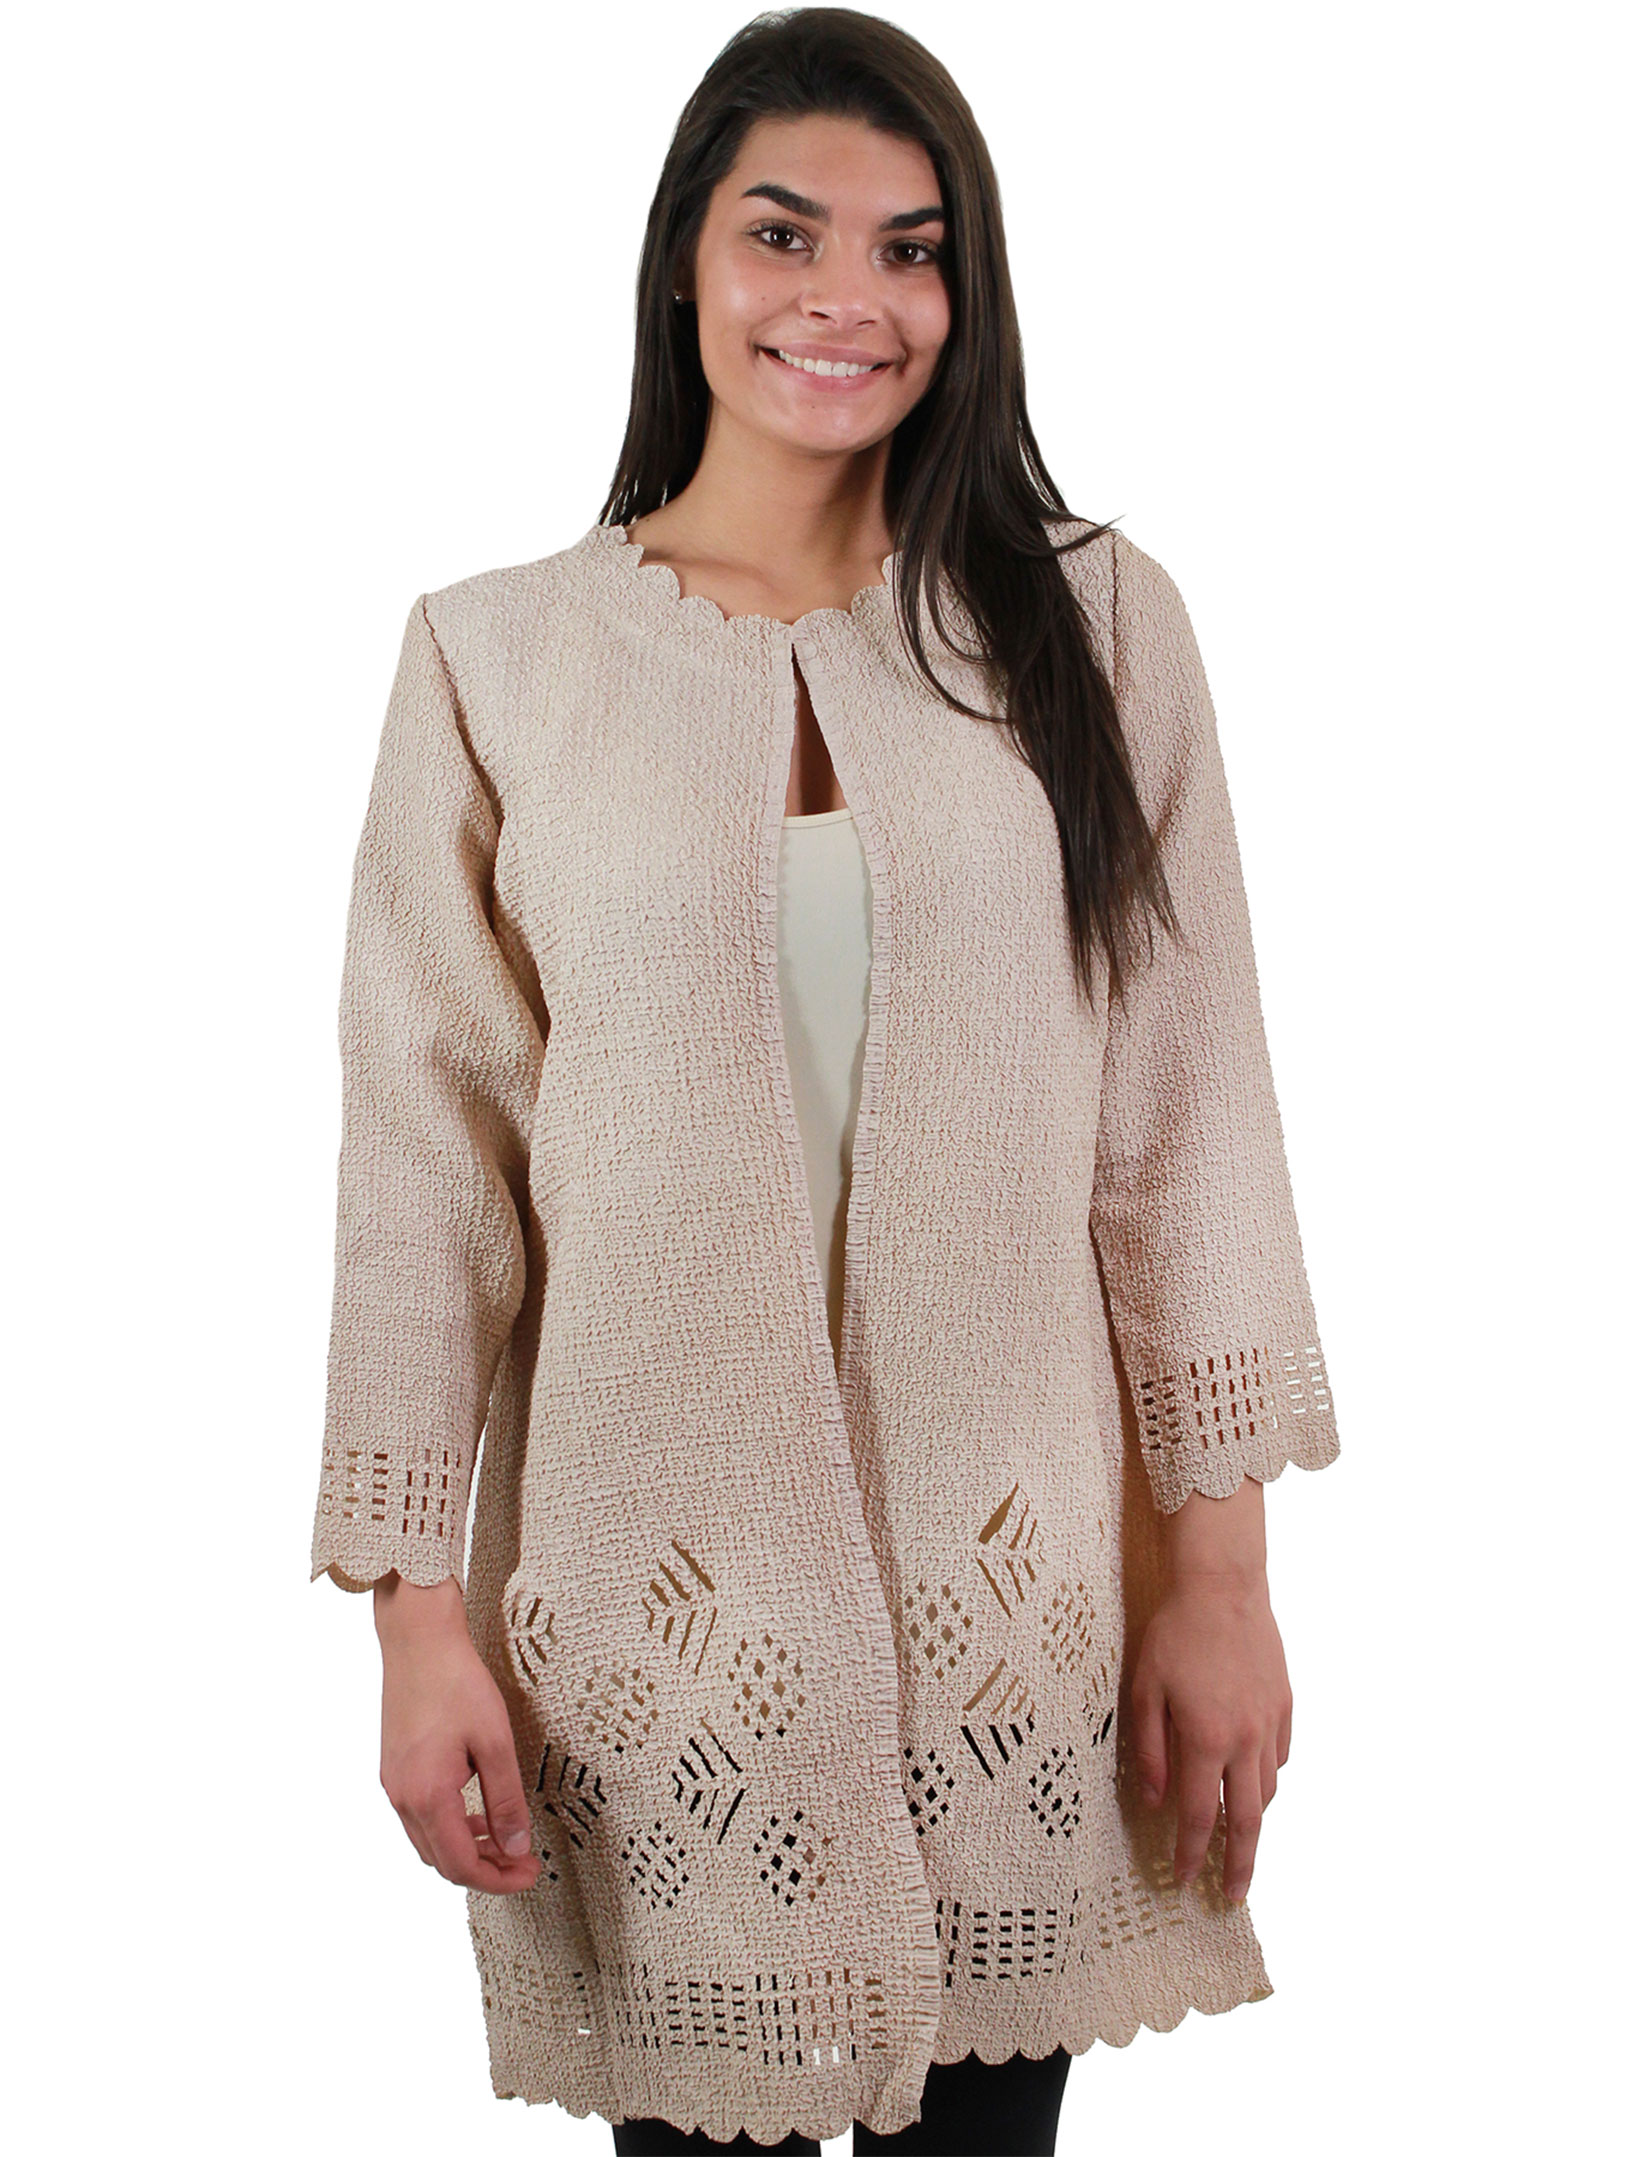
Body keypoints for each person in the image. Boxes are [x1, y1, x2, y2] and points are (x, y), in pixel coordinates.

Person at [307, 12, 1341, 2156]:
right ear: (686, 258)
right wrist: (414, 1622)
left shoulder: (1092, 627)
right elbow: (428, 1173)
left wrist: (1223, 1582)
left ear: (967, 292)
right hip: (658, 1630)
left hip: (1017, 1625)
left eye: (910, 247)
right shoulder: (496, 660)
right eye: (784, 234)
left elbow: (1186, 1116)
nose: (844, 298)